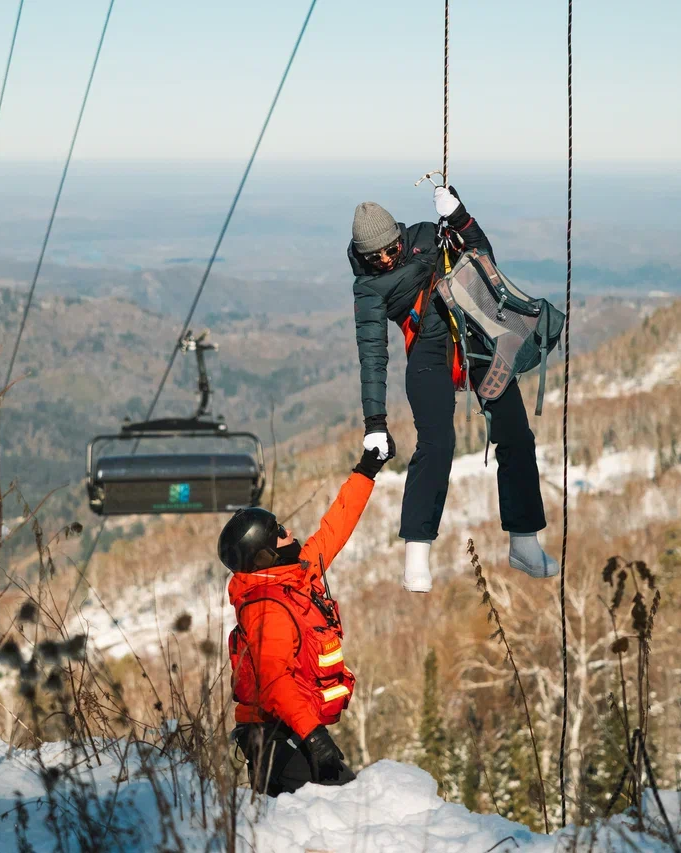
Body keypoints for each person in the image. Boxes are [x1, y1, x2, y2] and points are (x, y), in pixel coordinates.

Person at [348, 185, 559, 594]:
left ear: (399, 235)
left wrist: (460, 217)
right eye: (375, 257)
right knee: (437, 443)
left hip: (476, 339)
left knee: (515, 434)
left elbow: (483, 262)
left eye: (390, 249)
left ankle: (524, 540)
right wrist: (374, 421)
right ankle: (417, 550)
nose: (385, 259)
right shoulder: (369, 288)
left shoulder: (428, 236)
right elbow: (372, 355)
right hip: (427, 350)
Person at [219, 438, 393, 796]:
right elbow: (273, 682)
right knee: (338, 812)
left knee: (343, 809)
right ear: (265, 555)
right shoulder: (266, 608)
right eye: (280, 533)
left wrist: (367, 469)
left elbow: (335, 527)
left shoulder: (294, 575)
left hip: (295, 731)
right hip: (275, 741)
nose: (290, 532)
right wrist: (315, 737)